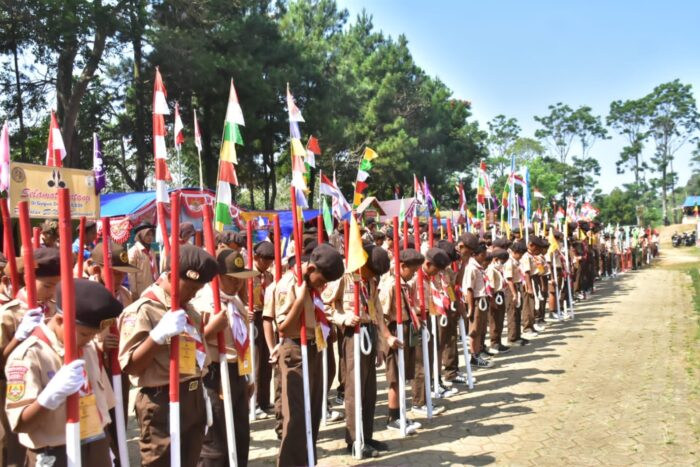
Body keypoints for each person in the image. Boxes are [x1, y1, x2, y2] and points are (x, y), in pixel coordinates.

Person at [4, 279, 123, 466]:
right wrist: (50, 396)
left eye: (93, 335)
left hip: (95, 443)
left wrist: (106, 447)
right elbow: (20, 423)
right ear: (60, 320)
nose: (89, 340)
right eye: (84, 334)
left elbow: (101, 404)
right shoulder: (29, 355)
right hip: (56, 452)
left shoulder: (87, 348)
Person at [119, 244, 218, 467]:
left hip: (192, 395)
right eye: (191, 287)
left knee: (189, 460)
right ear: (172, 277)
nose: (194, 293)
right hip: (161, 399)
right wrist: (157, 336)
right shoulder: (143, 310)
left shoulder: (188, 309)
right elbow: (131, 367)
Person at [269, 244, 344, 467]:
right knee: (296, 415)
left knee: (312, 410)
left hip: (313, 347)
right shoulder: (289, 285)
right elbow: (282, 327)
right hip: (294, 349)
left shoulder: (312, 286)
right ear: (310, 268)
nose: (323, 286)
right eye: (321, 280)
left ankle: (307, 459)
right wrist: (300, 300)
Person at [322, 243, 391, 458]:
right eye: (372, 271)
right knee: (354, 390)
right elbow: (324, 305)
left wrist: (381, 345)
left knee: (369, 390)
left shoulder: (369, 280)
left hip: (369, 331)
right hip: (353, 334)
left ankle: (367, 436)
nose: (374, 276)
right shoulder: (344, 276)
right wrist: (343, 318)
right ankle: (354, 440)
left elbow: (377, 311)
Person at [192, 248, 258, 467]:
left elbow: (243, 341)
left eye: (239, 279)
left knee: (240, 435)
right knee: (217, 440)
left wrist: (248, 376)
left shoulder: (234, 301)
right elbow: (191, 343)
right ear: (218, 276)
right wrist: (212, 328)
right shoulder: (204, 301)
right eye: (231, 279)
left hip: (237, 372)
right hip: (215, 374)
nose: (237, 284)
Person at [0, 248, 60, 467]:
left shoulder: (55, 309)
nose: (52, 292)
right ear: (28, 279)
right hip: (17, 391)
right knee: (15, 450)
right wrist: (18, 337)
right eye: (47, 286)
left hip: (50, 386)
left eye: (57, 286)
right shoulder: (10, 314)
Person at [378, 248, 423, 433]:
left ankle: (401, 413)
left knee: (403, 374)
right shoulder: (390, 285)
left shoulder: (405, 283)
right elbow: (381, 315)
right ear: (402, 266)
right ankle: (393, 416)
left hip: (406, 329)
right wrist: (388, 337)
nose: (413, 274)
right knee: (395, 377)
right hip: (394, 331)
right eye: (412, 270)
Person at [411, 247, 454, 417]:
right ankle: (418, 402)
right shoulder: (415, 278)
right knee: (420, 363)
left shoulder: (432, 277)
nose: (437, 273)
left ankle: (426, 396)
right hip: (417, 320)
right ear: (427, 264)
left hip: (429, 318)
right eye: (435, 269)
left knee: (428, 360)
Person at [460, 234, 492, 368]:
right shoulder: (471, 268)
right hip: (476, 301)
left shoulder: (478, 267)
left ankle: (478, 353)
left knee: (480, 329)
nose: (485, 256)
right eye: (483, 254)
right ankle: (474, 356)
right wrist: (471, 308)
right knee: (474, 330)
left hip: (482, 300)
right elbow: (469, 289)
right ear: (476, 255)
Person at [486, 247, 510, 354]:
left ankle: (498, 341)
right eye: (502, 261)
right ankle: (494, 343)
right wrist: (492, 301)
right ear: (495, 259)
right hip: (494, 296)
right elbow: (490, 286)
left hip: (500, 294)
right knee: (494, 320)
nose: (503, 264)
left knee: (500, 320)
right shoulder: (491, 269)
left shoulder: (498, 269)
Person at [127, 223, 158, 300]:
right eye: (147, 235)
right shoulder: (134, 251)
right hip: (140, 290)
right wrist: (134, 291)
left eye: (151, 235)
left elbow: (155, 269)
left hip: (153, 287)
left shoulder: (151, 251)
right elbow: (131, 273)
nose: (150, 237)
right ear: (141, 235)